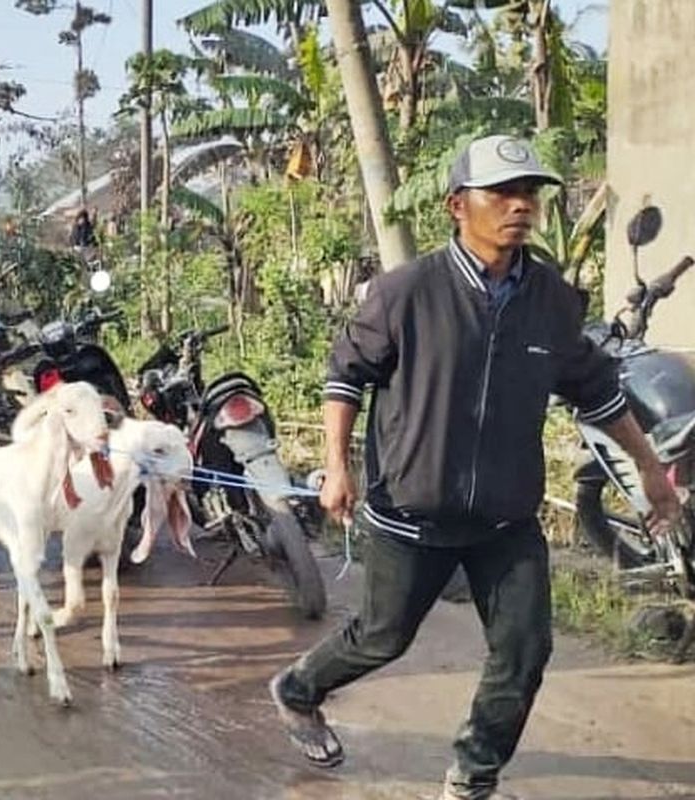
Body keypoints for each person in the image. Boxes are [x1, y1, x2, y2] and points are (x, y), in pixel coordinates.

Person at [268, 135, 683, 800]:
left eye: (530, 194)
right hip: (411, 510)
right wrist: (336, 466)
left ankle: (473, 775)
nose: (520, 206)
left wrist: (650, 471)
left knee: (524, 652)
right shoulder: (406, 293)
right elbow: (346, 375)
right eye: (503, 193)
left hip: (506, 517)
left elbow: (597, 390)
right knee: (381, 639)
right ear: (458, 205)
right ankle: (297, 688)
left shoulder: (552, 299)